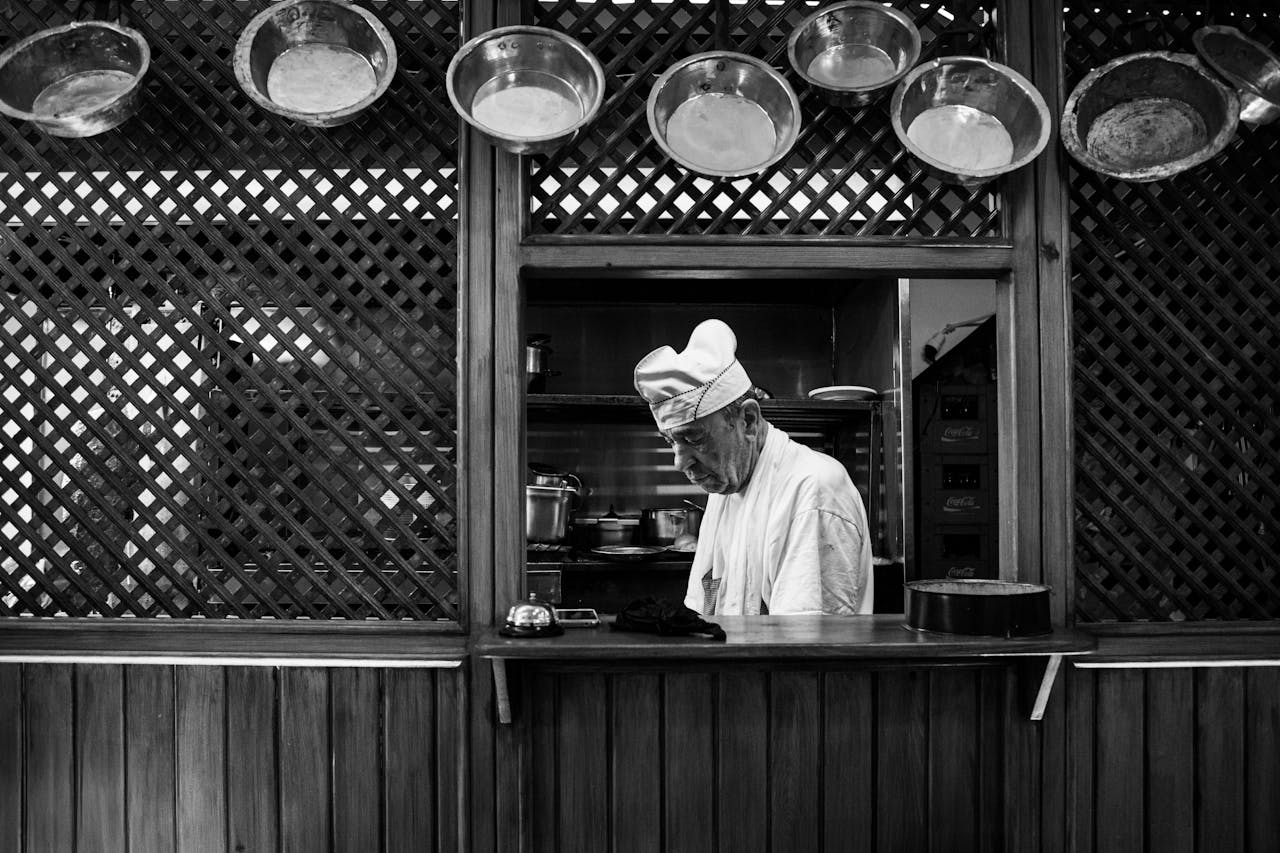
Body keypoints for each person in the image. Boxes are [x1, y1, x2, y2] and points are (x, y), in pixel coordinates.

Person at [633, 319, 874, 616]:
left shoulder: (812, 489)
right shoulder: (727, 488)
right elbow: (706, 608)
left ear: (747, 420)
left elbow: (804, 645)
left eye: (694, 438)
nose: (680, 462)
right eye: (671, 441)